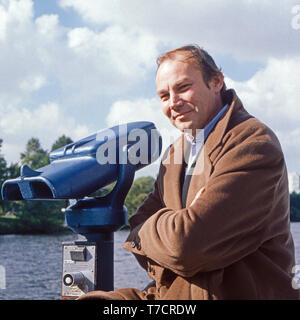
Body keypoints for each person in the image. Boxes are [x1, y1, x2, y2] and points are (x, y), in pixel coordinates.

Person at [79, 44, 300, 300]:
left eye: (183, 87)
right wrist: (173, 230)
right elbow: (138, 230)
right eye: (164, 95)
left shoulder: (253, 143)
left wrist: (168, 237)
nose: (173, 102)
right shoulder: (176, 153)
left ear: (216, 81)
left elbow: (187, 246)